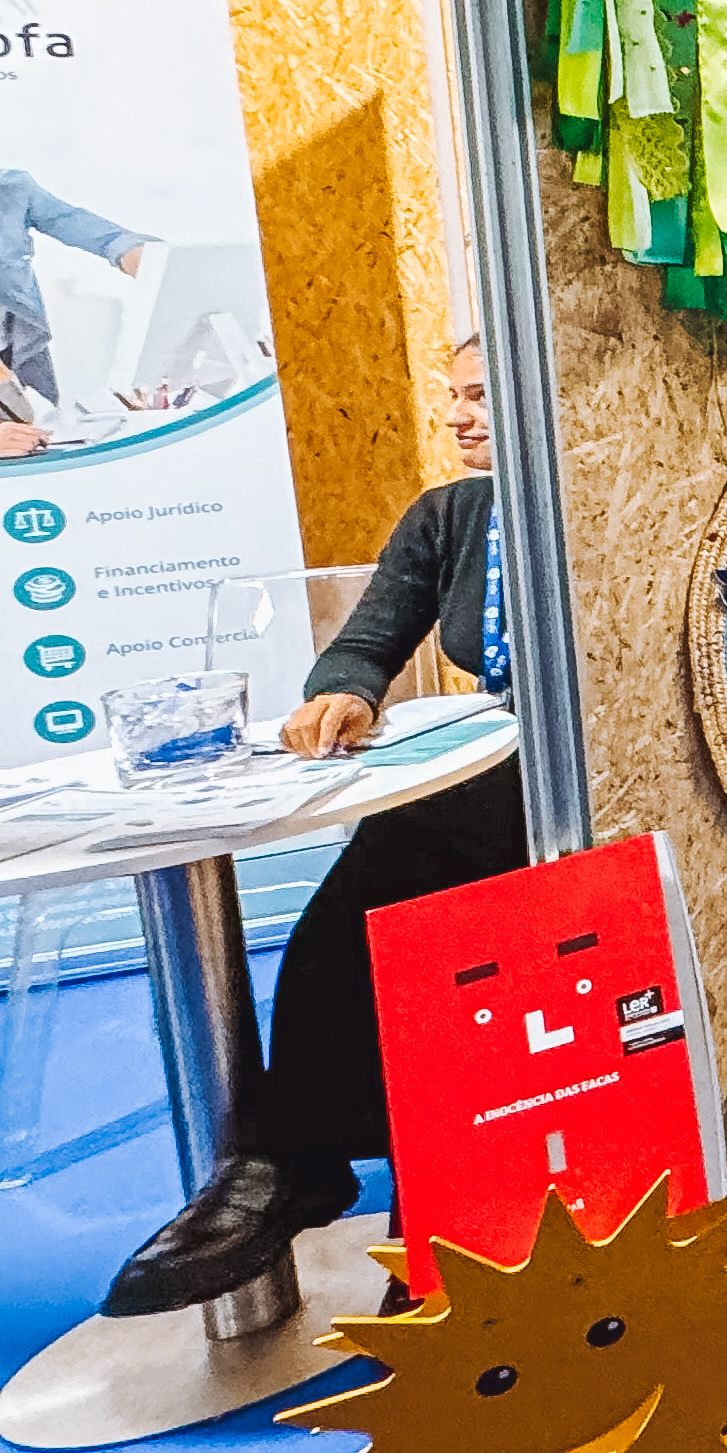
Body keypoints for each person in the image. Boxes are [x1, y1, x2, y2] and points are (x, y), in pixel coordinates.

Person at [101, 338, 528, 1316]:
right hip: (493, 772)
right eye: (453, 396)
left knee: (416, 863)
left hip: (607, 774)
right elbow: (367, 641)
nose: (457, 416)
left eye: (479, 396)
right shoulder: (450, 515)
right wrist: (345, 693)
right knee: (381, 877)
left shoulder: (597, 510)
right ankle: (307, 1158)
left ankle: (330, 1169)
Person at [0, 167, 157, 457]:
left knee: (46, 444)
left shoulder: (12, 188)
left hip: (18, 357)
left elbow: (87, 229)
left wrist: (147, 262)